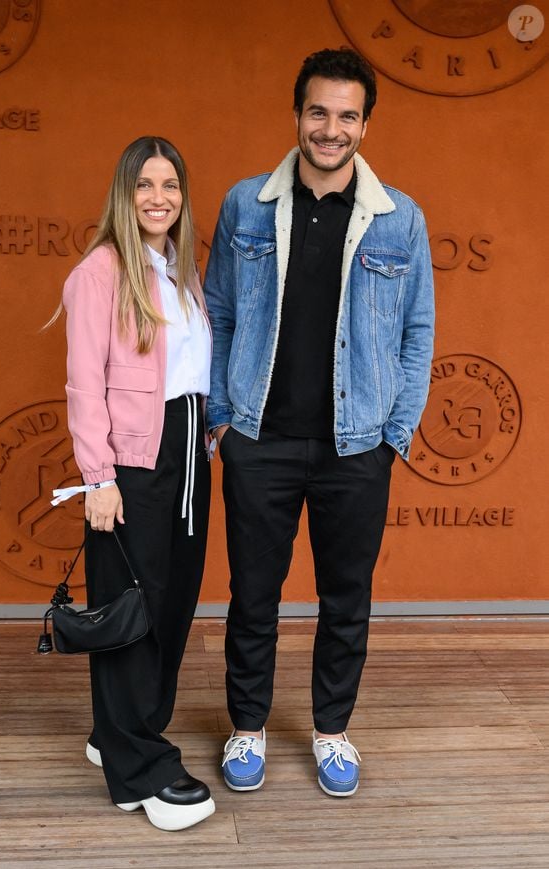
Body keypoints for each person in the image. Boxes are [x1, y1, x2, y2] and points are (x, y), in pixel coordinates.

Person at [204, 48, 435, 797]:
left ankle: (333, 731)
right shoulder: (246, 204)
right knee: (253, 594)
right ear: (297, 114)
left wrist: (394, 435)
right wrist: (220, 424)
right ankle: (248, 726)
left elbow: (418, 332)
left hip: (356, 445)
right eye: (317, 112)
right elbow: (220, 313)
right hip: (259, 440)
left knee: (347, 597)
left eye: (346, 115)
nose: (329, 129)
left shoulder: (402, 220)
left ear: (366, 124)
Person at [57, 136, 215, 830]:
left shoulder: (178, 266)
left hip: (188, 451)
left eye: (171, 184)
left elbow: (185, 371)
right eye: (146, 184)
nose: (159, 197)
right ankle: (140, 773)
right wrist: (98, 477)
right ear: (125, 193)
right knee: (133, 611)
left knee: (173, 601)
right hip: (131, 464)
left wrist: (211, 431)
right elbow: (84, 383)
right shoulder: (100, 271)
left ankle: (118, 730)